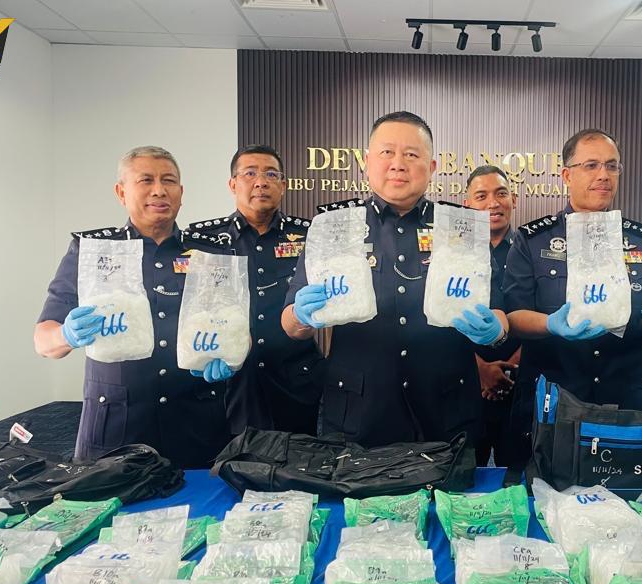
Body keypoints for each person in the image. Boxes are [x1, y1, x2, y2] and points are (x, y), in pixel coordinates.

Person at [280, 111, 511, 447]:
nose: (398, 164)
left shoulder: (461, 227)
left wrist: (495, 331)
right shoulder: (335, 226)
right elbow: (289, 321)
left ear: (432, 167)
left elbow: (499, 311)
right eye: (387, 152)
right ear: (367, 162)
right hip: (360, 414)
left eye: (412, 154)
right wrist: (302, 317)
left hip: (446, 412)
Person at [34, 146, 230, 469]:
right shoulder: (93, 251)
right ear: (121, 192)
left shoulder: (209, 253)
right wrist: (66, 335)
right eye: (146, 180)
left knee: (200, 502)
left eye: (169, 180)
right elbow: (44, 340)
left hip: (196, 423)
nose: (159, 190)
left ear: (181, 193)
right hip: (116, 426)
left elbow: (233, 326)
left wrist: (232, 358)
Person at [502, 128, 642, 466]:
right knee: (543, 489)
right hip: (555, 396)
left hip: (628, 395)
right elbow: (514, 316)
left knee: (630, 488)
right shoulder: (533, 240)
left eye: (612, 166)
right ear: (567, 175)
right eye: (591, 165)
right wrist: (551, 324)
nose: (603, 175)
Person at [182, 145, 324, 436]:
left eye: (271, 174)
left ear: (283, 185)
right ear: (233, 184)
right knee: (228, 459)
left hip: (296, 382)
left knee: (300, 459)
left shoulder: (310, 235)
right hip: (228, 384)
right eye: (249, 174)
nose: (261, 182)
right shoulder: (203, 240)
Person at [463, 165, 522, 466]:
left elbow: (543, 312)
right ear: (467, 205)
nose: (493, 203)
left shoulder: (530, 249)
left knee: (519, 477)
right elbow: (442, 320)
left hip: (521, 383)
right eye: (481, 196)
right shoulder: (454, 255)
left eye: (501, 194)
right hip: (467, 383)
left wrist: (513, 366)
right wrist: (481, 370)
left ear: (514, 200)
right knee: (465, 476)